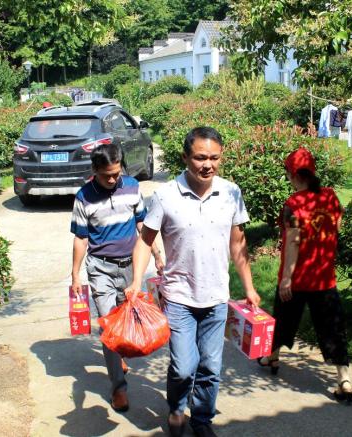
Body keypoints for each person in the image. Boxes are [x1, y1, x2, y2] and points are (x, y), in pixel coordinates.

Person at [125, 126, 261, 437]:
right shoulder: (166, 196)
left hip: (216, 297)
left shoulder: (231, 193)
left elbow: (238, 243)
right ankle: (176, 408)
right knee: (183, 366)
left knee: (210, 366)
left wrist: (249, 288)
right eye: (200, 158)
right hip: (178, 297)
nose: (207, 165)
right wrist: (136, 281)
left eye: (214, 158)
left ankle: (202, 419)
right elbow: (145, 241)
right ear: (186, 157)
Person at [70, 143, 163, 413]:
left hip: (131, 266)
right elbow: (81, 238)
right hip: (100, 268)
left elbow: (143, 225)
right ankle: (119, 388)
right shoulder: (84, 197)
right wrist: (75, 274)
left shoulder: (132, 187)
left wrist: (157, 254)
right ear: (94, 170)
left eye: (116, 173)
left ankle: (117, 354)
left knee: (127, 320)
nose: (112, 180)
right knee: (109, 327)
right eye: (106, 175)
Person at [257, 147, 352, 403]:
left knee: (284, 318)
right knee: (332, 327)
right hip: (324, 275)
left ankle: (272, 357)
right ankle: (344, 379)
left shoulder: (293, 204)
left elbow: (293, 242)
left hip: (298, 278)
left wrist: (287, 278)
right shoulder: (330, 197)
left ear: (292, 174)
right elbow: (337, 225)